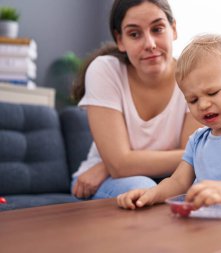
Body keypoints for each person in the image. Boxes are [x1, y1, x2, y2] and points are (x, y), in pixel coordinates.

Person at [117, 34, 221, 218]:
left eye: (212, 93)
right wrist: (150, 194)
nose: (203, 105)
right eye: (193, 99)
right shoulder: (198, 140)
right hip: (214, 230)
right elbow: (178, 182)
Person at [70, 0, 201, 199]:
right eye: (134, 34)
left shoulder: (192, 76)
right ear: (120, 40)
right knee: (144, 189)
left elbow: (193, 159)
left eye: (157, 29)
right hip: (106, 182)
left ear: (173, 29)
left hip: (172, 181)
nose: (150, 44)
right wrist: (114, 165)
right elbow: (191, 155)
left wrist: (111, 164)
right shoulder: (105, 71)